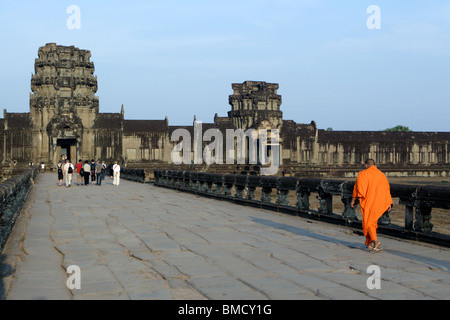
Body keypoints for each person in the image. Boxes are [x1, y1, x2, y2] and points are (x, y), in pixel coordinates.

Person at [351, 159, 393, 252]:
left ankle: (375, 241)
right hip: (380, 202)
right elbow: (386, 189)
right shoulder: (381, 175)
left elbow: (357, 188)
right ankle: (369, 244)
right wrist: (389, 202)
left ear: (366, 165)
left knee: (368, 222)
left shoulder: (362, 174)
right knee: (372, 222)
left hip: (369, 201)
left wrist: (353, 200)